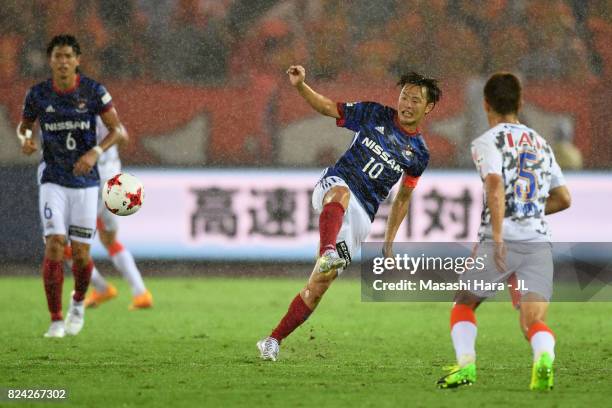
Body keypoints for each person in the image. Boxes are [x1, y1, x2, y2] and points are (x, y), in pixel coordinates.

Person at [257, 65, 441, 361]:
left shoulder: (419, 153)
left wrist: (389, 242)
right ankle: (327, 250)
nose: (406, 104)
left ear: (429, 107)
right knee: (340, 194)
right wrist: (301, 86)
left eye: (415, 100)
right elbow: (329, 107)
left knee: (317, 287)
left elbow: (404, 198)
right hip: (336, 184)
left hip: (361, 216)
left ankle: (272, 340)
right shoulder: (374, 114)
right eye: (404, 96)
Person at [436, 73, 571, 390]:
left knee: (463, 304)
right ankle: (544, 357)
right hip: (537, 243)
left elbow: (494, 185)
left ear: (486, 104)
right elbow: (564, 198)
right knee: (533, 322)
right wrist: (531, 209)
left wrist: (497, 235)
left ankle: (466, 366)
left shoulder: (487, 142)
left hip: (501, 241)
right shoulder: (541, 143)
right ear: (520, 103)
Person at [18, 34, 127, 338]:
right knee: (55, 245)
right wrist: (25, 140)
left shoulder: (94, 91)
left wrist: (95, 152)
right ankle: (55, 320)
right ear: (50, 61)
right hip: (53, 178)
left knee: (80, 254)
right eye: (57, 56)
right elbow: (25, 126)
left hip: (85, 183)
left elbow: (117, 131)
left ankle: (77, 302)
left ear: (78, 60)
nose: (63, 62)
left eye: (68, 56)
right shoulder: (37, 94)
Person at [63, 116, 153, 311]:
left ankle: (101, 287)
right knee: (109, 240)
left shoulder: (75, 114)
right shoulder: (105, 113)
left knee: (66, 244)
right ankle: (141, 293)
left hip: (93, 183)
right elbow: (124, 137)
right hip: (115, 181)